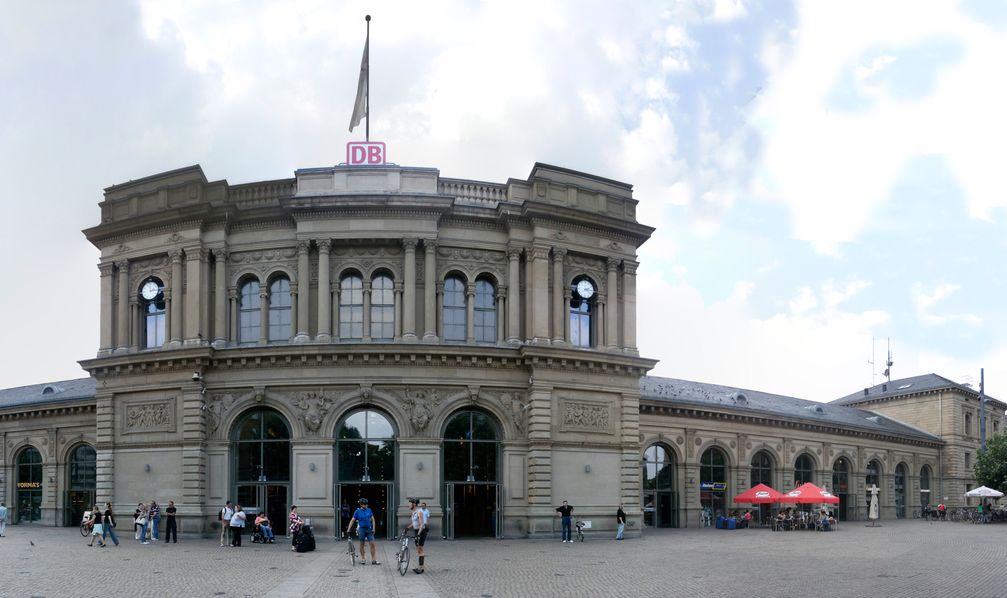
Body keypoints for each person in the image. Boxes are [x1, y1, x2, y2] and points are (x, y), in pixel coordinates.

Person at [346, 498, 379, 565]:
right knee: (362, 544)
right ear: (361, 505)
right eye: (364, 504)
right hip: (361, 530)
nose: (366, 505)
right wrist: (348, 529)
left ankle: (374, 560)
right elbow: (352, 520)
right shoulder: (357, 511)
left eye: (367, 504)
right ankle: (363, 559)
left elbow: (373, 519)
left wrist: (374, 528)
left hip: (369, 529)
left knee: (372, 543)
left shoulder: (369, 510)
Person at [406, 498, 428, 574]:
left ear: (414, 504)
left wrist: (418, 534)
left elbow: (422, 524)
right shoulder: (413, 512)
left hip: (421, 531)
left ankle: (421, 569)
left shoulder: (419, 512)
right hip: (417, 531)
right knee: (419, 549)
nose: (408, 505)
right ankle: (420, 567)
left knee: (420, 549)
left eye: (409, 503)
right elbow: (414, 523)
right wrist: (407, 528)